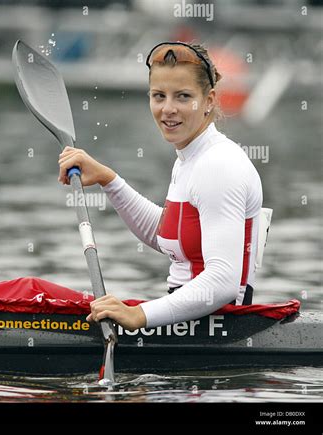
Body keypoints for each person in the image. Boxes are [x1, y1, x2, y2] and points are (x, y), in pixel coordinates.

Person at [58, 41, 263, 331]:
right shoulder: (190, 158)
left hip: (217, 330)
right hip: (186, 320)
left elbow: (222, 282)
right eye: (158, 96)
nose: (168, 109)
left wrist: (140, 316)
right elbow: (167, 235)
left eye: (182, 96)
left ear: (209, 101)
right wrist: (108, 180)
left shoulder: (219, 165)